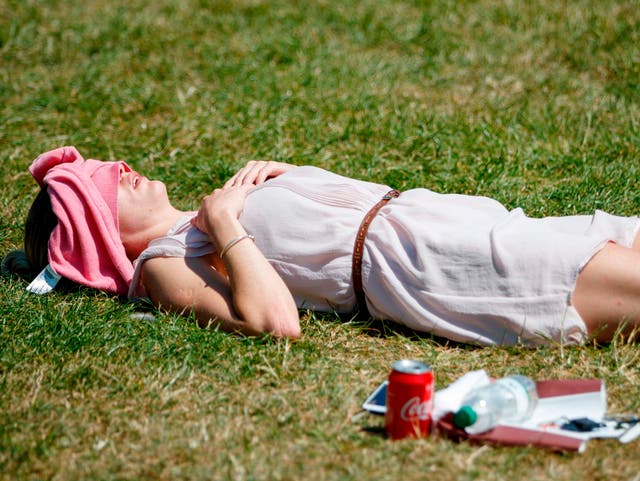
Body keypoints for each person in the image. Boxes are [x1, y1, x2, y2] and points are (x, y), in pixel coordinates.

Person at [3, 146, 640, 346]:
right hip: (432, 267)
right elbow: (274, 322)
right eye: (102, 183)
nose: (118, 167)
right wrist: (226, 224)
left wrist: (299, 179)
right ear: (95, 230)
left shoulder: (214, 202)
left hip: (446, 219)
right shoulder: (165, 266)